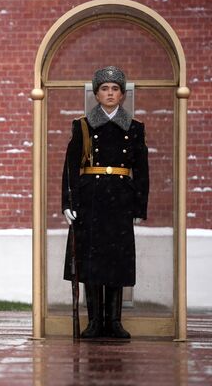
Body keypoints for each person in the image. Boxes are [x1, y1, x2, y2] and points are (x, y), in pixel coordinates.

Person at [61, 66, 149, 339]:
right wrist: (68, 202)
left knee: (116, 261)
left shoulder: (135, 129)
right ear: (96, 94)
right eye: (104, 89)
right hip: (91, 200)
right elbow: (70, 167)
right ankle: (95, 322)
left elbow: (143, 171)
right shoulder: (83, 126)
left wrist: (139, 207)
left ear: (122, 95)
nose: (110, 93)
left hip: (120, 199)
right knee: (90, 261)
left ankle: (114, 322)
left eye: (115, 89)